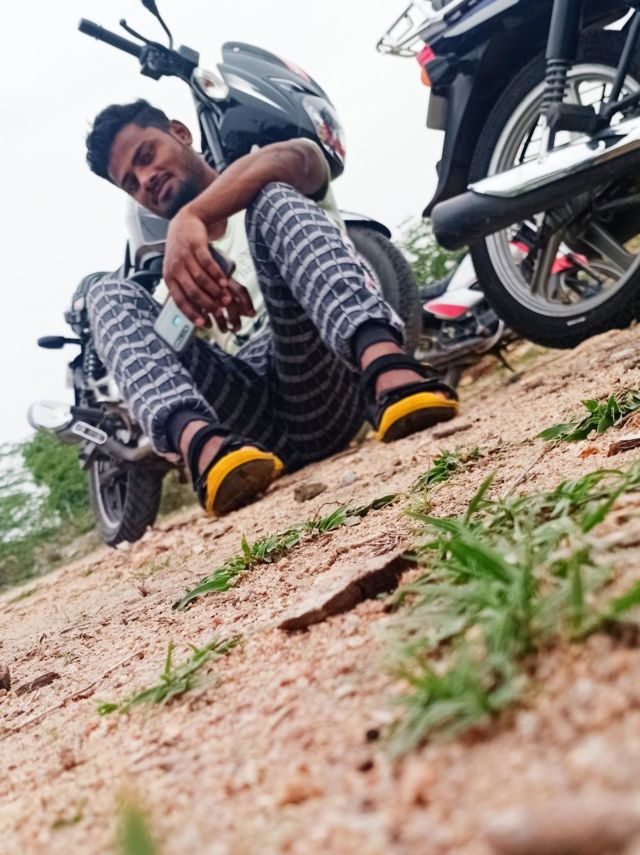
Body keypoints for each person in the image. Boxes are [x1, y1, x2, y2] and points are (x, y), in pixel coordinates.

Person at [84, 99, 459, 516]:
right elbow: (155, 351)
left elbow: (303, 156)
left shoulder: (265, 187)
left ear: (180, 133)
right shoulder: (176, 267)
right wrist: (187, 307)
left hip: (321, 383)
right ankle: (205, 451)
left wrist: (192, 216)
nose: (145, 180)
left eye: (146, 156)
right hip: (246, 430)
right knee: (105, 294)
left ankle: (394, 377)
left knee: (271, 194)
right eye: (131, 183)